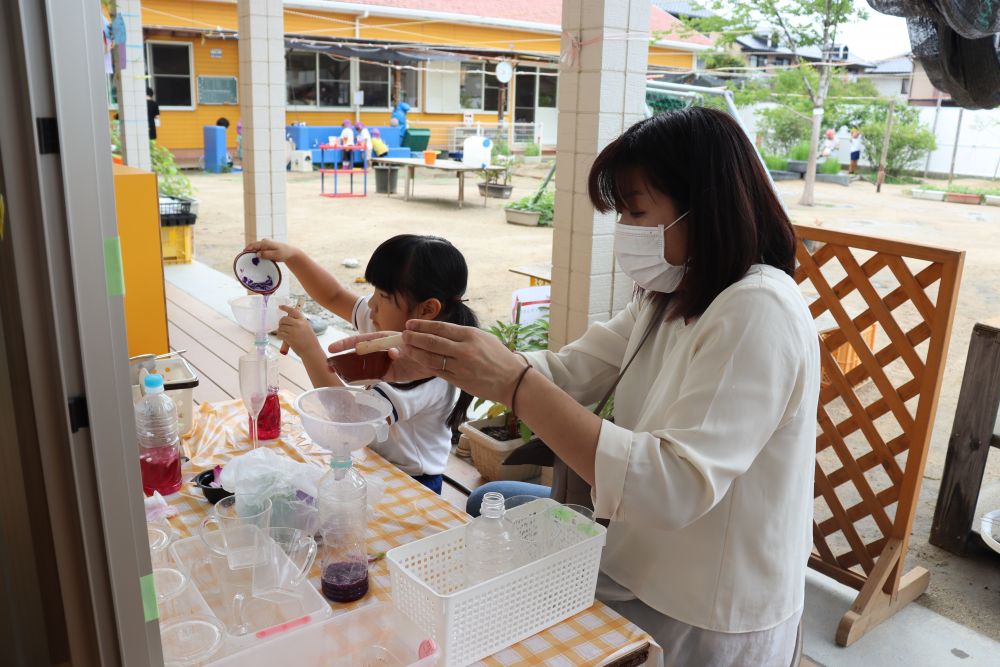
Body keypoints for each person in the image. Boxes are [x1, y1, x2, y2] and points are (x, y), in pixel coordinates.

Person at [332, 107, 820, 666]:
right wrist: (427, 360)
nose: (628, 231)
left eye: (637, 212)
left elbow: (672, 483)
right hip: (639, 567)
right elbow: (566, 370)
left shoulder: (757, 309)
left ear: (704, 207)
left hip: (708, 607)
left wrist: (513, 384)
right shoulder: (671, 296)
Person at [242, 235, 479, 495]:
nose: (371, 303)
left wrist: (309, 349)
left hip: (412, 484)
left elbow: (349, 420)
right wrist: (293, 256)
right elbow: (333, 296)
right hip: (376, 464)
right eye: (374, 291)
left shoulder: (429, 368)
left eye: (383, 295)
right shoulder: (388, 322)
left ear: (427, 310)